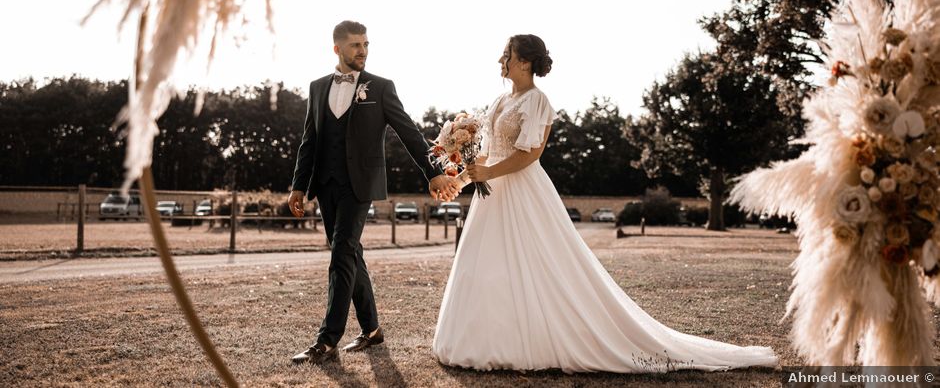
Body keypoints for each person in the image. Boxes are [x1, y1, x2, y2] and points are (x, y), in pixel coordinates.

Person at [431, 34, 778, 373]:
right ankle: (483, 339)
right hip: (491, 194)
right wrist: (460, 181)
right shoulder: (498, 102)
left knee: (540, 264)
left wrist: (489, 171)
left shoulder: (538, 100)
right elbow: (487, 154)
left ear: (523, 61)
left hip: (522, 191)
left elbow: (530, 154)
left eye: (506, 54)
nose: (500, 60)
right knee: (486, 266)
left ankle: (531, 339)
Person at [288, 20, 460, 365]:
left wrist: (434, 172)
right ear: (337, 49)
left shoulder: (380, 88)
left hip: (360, 184)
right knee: (350, 253)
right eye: (355, 45)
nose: (362, 51)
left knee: (341, 254)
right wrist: (298, 185)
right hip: (325, 184)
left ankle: (326, 340)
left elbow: (409, 131)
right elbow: (310, 140)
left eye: (366, 44)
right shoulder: (318, 87)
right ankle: (372, 330)